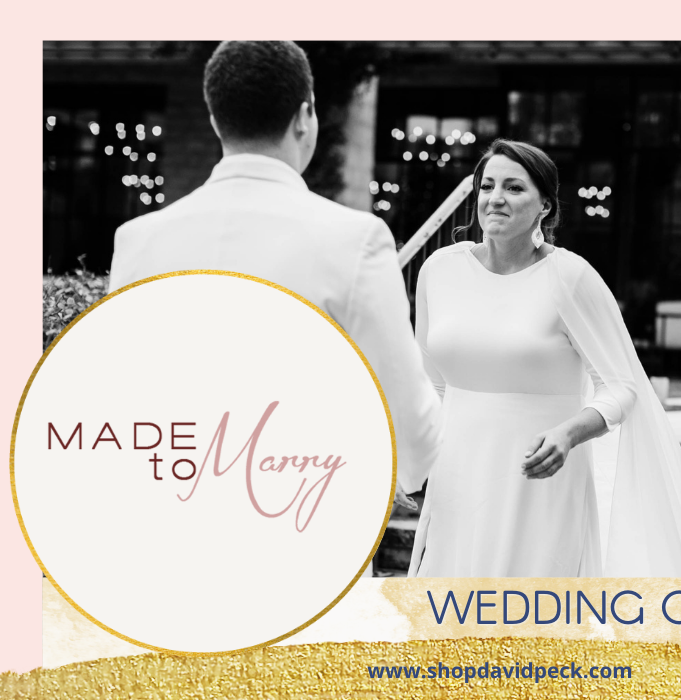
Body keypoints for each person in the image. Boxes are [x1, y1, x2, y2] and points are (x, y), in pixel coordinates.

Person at [409, 139, 681, 577]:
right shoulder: (439, 270)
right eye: (487, 186)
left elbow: (621, 386)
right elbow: (431, 386)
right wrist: (407, 464)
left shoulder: (570, 277)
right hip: (458, 473)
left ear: (545, 205)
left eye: (514, 188)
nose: (495, 198)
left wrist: (569, 433)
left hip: (539, 473)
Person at [108, 41, 440, 511]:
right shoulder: (356, 240)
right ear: (305, 116)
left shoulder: (138, 240)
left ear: (214, 119)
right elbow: (411, 430)